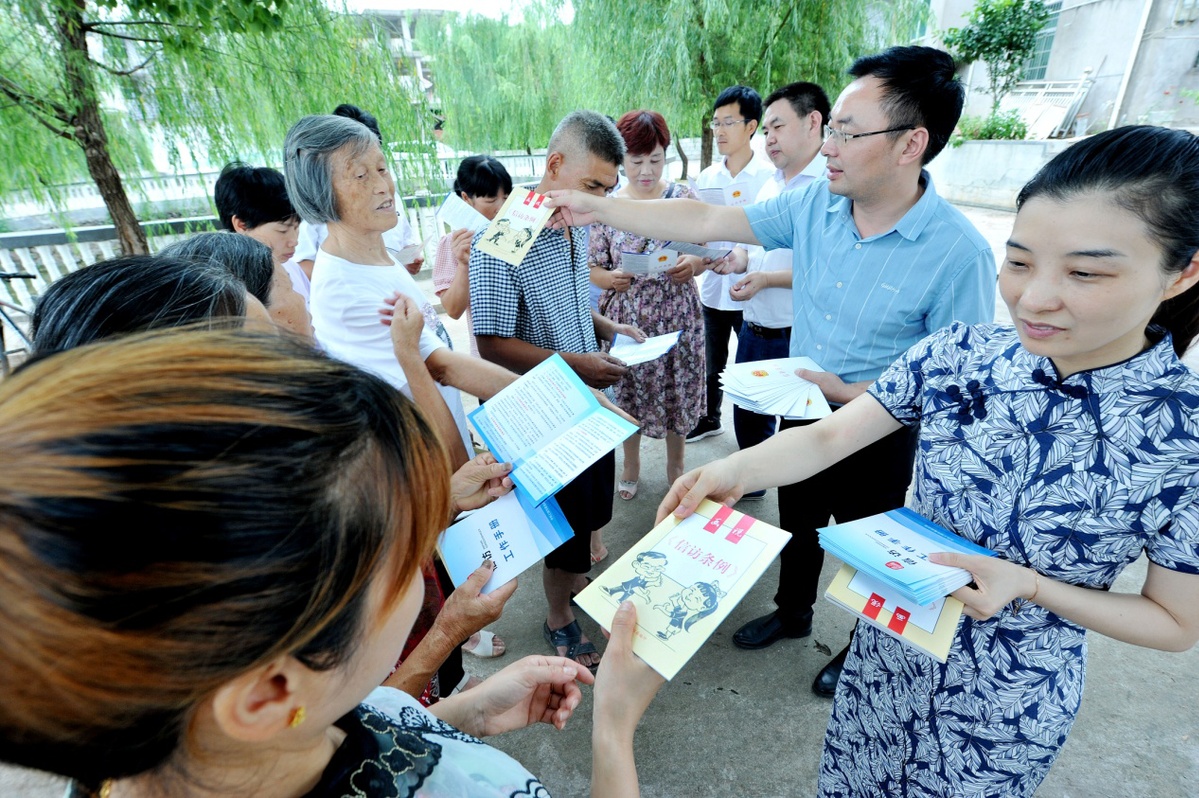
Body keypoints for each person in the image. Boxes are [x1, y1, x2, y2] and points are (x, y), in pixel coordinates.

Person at [654, 124, 1199, 796]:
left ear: (1183, 272)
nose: (1032, 298)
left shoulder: (1183, 438)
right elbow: (828, 437)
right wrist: (732, 470)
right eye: (1019, 262)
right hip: (888, 650)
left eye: (1084, 272)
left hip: (1004, 703)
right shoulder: (961, 355)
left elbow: (1175, 623)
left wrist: (1029, 585)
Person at [0, 328, 666, 798]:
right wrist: (612, 728)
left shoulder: (115, 762)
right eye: (408, 558)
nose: (427, 568)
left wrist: (461, 717)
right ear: (268, 693)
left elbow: (324, 730)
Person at [546, 45, 996, 697]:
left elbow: (957, 392)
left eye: (846, 130)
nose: (829, 143)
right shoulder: (815, 209)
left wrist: (846, 391)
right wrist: (601, 207)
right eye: (830, 127)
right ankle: (792, 613)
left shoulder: (959, 254)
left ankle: (860, 648)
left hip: (883, 432)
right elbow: (702, 219)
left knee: (872, 548)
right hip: (802, 408)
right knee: (799, 522)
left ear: (910, 144)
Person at [29, 251, 517, 709]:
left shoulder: (255, 519)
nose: (301, 378)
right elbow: (339, 731)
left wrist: (446, 501)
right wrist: (445, 634)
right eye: (269, 361)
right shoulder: (244, 590)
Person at [470, 110, 646, 672]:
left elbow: (569, 303)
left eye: (606, 190)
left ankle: (575, 584)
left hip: (584, 403)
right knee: (562, 523)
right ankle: (559, 617)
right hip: (541, 411)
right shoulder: (507, 233)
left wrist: (607, 328)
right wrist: (579, 367)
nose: (597, 200)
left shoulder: (575, 220)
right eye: (592, 185)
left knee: (591, 510)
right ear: (554, 166)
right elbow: (492, 345)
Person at [589, 110, 705, 502]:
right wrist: (608, 278)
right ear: (622, 160)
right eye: (636, 162)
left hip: (678, 315)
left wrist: (694, 264)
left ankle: (677, 466)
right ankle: (632, 464)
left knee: (677, 390)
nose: (646, 171)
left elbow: (705, 250)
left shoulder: (683, 198)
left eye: (655, 160)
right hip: (628, 318)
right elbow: (591, 266)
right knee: (630, 391)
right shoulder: (608, 205)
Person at [720, 82, 830, 494]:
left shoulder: (829, 189)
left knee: (799, 432)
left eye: (777, 127)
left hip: (797, 336)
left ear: (813, 122)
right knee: (748, 415)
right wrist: (738, 261)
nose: (769, 139)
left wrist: (765, 279)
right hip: (755, 328)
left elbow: (825, 270)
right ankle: (756, 486)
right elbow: (755, 249)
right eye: (766, 130)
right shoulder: (771, 185)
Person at [686, 85, 775, 444]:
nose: (719, 131)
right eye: (715, 123)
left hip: (753, 289)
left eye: (728, 123)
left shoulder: (770, 177)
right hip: (712, 286)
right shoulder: (707, 177)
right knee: (713, 360)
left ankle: (757, 440)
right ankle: (710, 417)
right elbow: (698, 230)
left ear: (751, 126)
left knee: (753, 369)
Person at [291, 104, 428, 312]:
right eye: (361, 174)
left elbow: (405, 241)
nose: (381, 186)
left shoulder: (388, 199)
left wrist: (407, 261)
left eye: (381, 168)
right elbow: (304, 263)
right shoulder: (349, 295)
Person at [212, 162, 313, 338]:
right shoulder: (228, 285)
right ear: (241, 225)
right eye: (282, 230)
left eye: (296, 228)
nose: (294, 241)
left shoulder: (291, 267)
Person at [433, 155, 513, 358]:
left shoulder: (519, 233)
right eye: (491, 199)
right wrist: (463, 264)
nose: (501, 206)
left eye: (506, 197)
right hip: (491, 355)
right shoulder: (454, 244)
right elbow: (453, 310)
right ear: (466, 198)